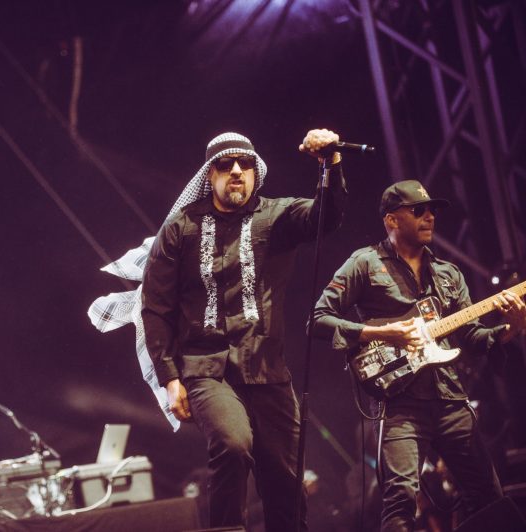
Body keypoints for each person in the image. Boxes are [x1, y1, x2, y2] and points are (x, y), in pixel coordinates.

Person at [141, 130, 347, 530]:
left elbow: (328, 217)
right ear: (210, 174)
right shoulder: (181, 228)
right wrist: (169, 377)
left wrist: (330, 164)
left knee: (287, 480)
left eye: (245, 163)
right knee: (233, 445)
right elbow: (156, 306)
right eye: (226, 164)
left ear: (256, 171)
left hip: (268, 370)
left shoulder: (278, 216)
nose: (237, 170)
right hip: (207, 369)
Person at [310, 180, 526, 531]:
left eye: (432, 210)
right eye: (419, 210)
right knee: (400, 503)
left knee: (488, 496)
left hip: (450, 400)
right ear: (392, 220)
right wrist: (382, 333)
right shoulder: (364, 263)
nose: (430, 217)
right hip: (400, 404)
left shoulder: (448, 274)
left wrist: (512, 328)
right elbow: (318, 319)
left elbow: (472, 338)